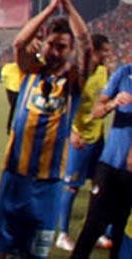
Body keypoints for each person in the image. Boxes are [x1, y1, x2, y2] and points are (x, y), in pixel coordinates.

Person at [0, 0, 92, 259]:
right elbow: (19, 43)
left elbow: (87, 48)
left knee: (33, 256)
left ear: (70, 51)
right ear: (44, 43)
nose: (55, 51)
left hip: (48, 186)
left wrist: (67, 6)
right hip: (14, 178)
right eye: (51, 44)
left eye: (62, 47)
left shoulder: (73, 84)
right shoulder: (30, 71)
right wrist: (49, 9)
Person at [69, 54, 132, 258]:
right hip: (110, 163)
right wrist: (113, 103)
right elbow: (96, 112)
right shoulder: (124, 73)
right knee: (94, 223)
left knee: (122, 228)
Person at [55, 34, 114, 252]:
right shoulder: (82, 73)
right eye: (104, 50)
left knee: (100, 186)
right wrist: (73, 131)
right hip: (80, 137)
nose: (108, 54)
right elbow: (69, 102)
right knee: (71, 186)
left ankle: (94, 230)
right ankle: (62, 234)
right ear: (95, 51)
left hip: (98, 137)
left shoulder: (104, 72)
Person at [1, 60, 22, 133]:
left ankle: (9, 127)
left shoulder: (10, 68)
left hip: (14, 89)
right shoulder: (15, 68)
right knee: (19, 109)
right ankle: (12, 127)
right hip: (19, 89)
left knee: (13, 109)